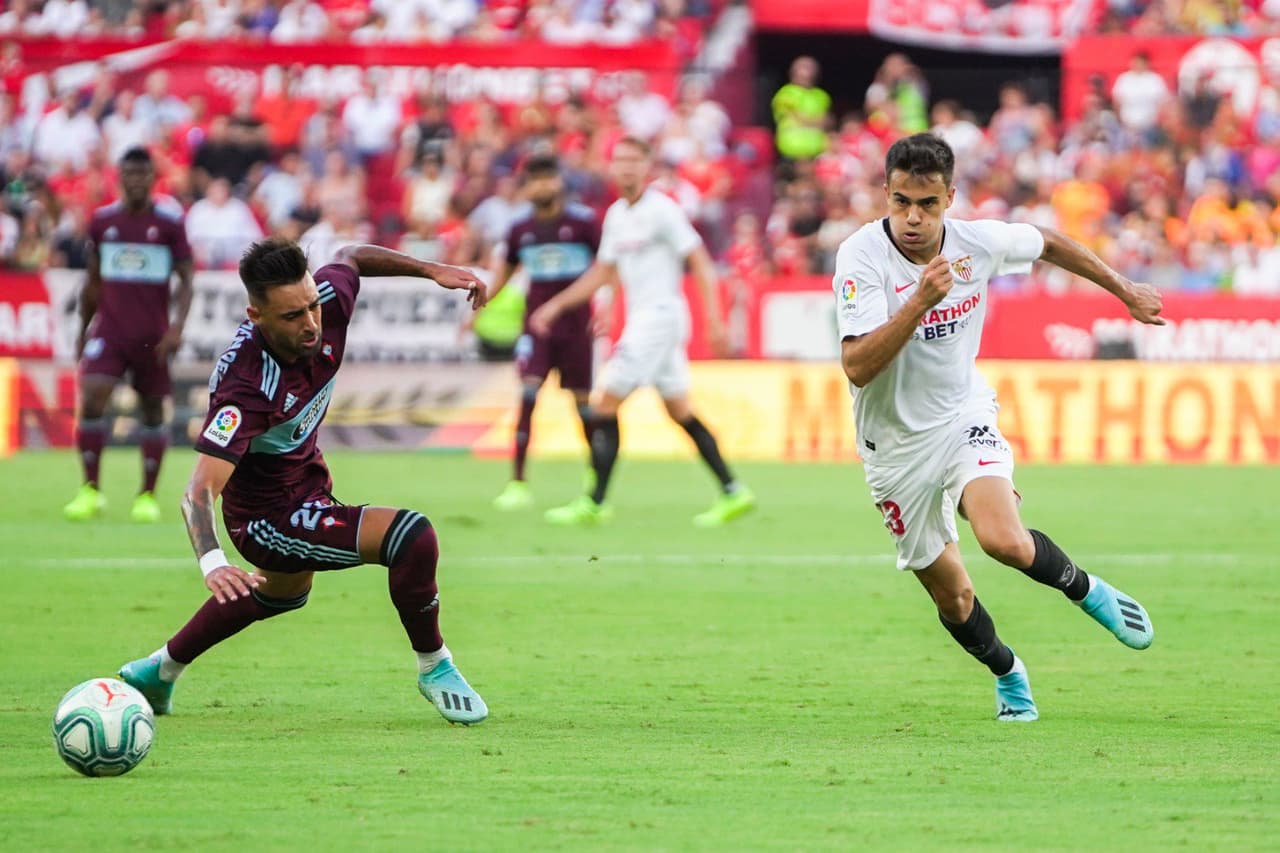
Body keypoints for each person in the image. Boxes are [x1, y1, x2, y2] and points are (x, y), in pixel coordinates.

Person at [833, 133, 1163, 721]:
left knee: (1003, 540)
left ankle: (1089, 591)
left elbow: (1050, 244)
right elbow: (857, 364)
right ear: (885, 193)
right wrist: (918, 303)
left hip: (962, 416)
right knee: (954, 595)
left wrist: (1124, 290)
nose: (913, 217)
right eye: (902, 201)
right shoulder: (859, 259)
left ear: (950, 198)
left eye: (928, 204)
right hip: (893, 448)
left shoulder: (977, 243)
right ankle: (1008, 671)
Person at [116, 238, 491, 726]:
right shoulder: (246, 388)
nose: (311, 322)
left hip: (306, 484)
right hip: (265, 518)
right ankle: (434, 665)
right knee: (411, 536)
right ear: (257, 316)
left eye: (312, 305)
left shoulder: (326, 303)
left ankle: (158, 670)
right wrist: (213, 562)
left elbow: (351, 254)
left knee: (281, 594)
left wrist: (432, 269)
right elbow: (198, 491)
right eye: (292, 316)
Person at [530, 137, 755, 527]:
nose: (627, 167)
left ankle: (594, 502)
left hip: (660, 317)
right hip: (642, 320)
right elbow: (605, 270)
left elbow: (700, 261)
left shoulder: (663, 211)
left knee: (602, 405)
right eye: (620, 160)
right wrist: (568, 305)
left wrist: (715, 319)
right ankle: (734, 491)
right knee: (679, 410)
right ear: (612, 167)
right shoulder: (617, 214)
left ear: (647, 167)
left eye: (635, 160)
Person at [64, 147, 194, 523]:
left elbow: (187, 281)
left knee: (152, 409)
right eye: (129, 174)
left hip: (153, 334)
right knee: (92, 397)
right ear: (119, 178)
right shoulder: (103, 222)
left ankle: (147, 495)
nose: (136, 181)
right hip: (110, 329)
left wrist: (177, 327)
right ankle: (90, 490)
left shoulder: (169, 225)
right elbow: (92, 281)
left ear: (153, 179)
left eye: (142, 174)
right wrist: (82, 329)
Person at [488, 155, 601, 511]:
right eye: (534, 180)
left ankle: (596, 476)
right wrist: (479, 303)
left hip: (576, 325)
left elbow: (606, 267)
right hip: (536, 325)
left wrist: (609, 305)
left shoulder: (583, 223)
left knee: (582, 403)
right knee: (528, 394)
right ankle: (518, 483)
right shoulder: (520, 230)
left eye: (547, 178)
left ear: (559, 182)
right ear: (526, 187)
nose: (541, 186)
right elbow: (504, 273)